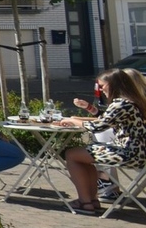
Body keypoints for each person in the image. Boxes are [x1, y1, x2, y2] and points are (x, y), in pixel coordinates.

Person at [58, 67, 146, 214]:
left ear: (113, 85)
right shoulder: (134, 101)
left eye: (103, 86)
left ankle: (85, 202)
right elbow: (105, 119)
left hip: (129, 154)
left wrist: (72, 121)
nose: (101, 89)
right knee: (85, 156)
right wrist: (79, 117)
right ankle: (91, 201)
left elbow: (97, 126)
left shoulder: (121, 104)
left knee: (72, 155)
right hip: (139, 153)